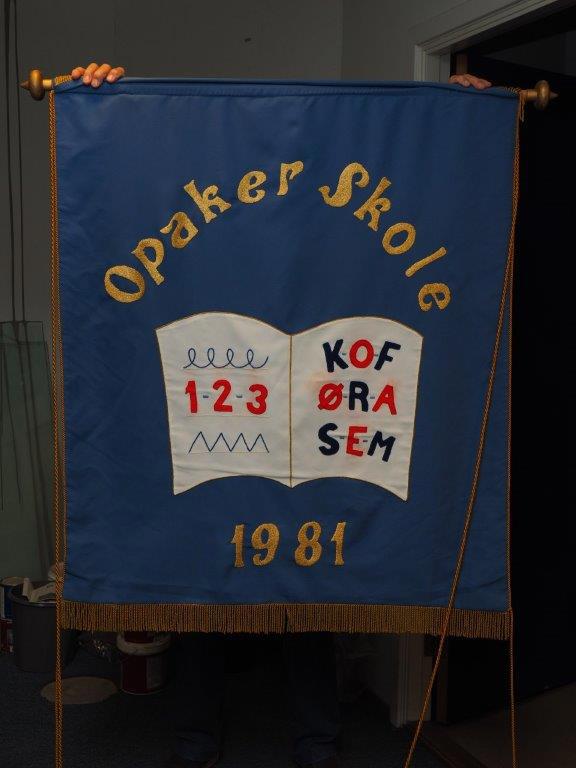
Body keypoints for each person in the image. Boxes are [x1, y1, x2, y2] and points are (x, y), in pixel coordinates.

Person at [69, 62, 491, 768]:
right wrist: (93, 96)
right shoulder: (207, 232)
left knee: (311, 590)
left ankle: (314, 735)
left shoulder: (326, 246)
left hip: (299, 415)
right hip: (227, 415)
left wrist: (468, 115)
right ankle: (197, 733)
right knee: (198, 576)